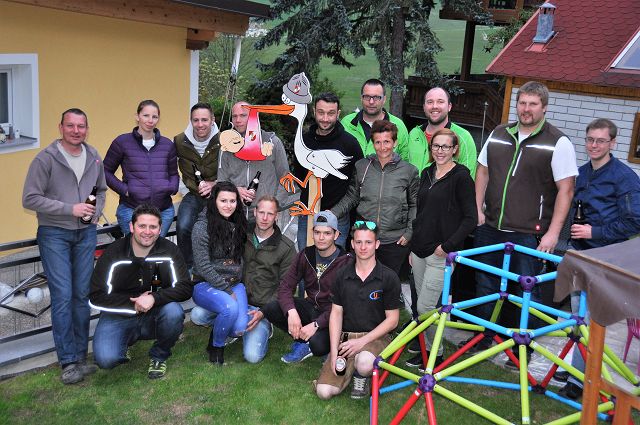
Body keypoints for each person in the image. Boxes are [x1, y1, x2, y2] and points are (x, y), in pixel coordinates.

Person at [466, 81, 578, 368]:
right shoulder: (499, 133)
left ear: (544, 107)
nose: (526, 109)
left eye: (532, 104)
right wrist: (477, 209)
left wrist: (553, 234)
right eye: (522, 103)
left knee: (524, 292)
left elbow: (566, 190)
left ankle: (521, 351)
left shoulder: (557, 142)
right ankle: (483, 338)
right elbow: (483, 171)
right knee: (485, 285)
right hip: (491, 227)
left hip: (529, 234)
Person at [22, 108, 107, 385]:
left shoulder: (93, 156)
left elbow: (102, 189)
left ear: (87, 128)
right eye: (70, 126)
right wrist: (69, 208)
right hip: (54, 234)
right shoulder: (45, 159)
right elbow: (30, 198)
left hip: (86, 234)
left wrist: (94, 212)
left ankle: (82, 357)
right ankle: (68, 361)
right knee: (62, 296)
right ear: (60, 127)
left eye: (81, 126)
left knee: (81, 296)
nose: (76, 131)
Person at [557, 118, 640, 400]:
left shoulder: (625, 178)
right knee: (576, 317)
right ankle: (574, 367)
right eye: (590, 140)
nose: (594, 145)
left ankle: (579, 381)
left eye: (600, 141)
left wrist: (597, 230)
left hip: (606, 259)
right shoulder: (581, 173)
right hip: (580, 254)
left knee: (591, 320)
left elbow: (635, 221)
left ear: (613, 143)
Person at [89, 204, 193, 379]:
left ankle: (160, 354)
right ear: (131, 227)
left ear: (160, 229)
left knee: (174, 312)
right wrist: (134, 305)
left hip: (156, 310)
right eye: (142, 226)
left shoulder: (169, 250)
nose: (147, 231)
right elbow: (95, 296)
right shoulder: (114, 253)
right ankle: (124, 343)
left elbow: (184, 287)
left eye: (153, 227)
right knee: (106, 360)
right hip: (119, 314)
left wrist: (154, 298)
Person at [190, 195, 297, 363]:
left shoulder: (286, 248)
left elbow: (286, 288)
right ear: (254, 212)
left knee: (252, 357)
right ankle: (232, 327)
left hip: (260, 308)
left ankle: (261, 327)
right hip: (234, 297)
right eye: (261, 212)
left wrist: (264, 313)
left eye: (270, 214)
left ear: (276, 216)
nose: (264, 218)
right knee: (197, 314)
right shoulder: (239, 233)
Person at [405, 128, 477, 370]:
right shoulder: (426, 174)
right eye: (436, 146)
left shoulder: (461, 177)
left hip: (441, 254)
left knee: (427, 307)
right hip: (419, 250)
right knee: (420, 307)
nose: (440, 151)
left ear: (455, 149)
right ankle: (425, 351)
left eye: (446, 146)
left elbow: (470, 218)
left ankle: (438, 354)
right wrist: (413, 247)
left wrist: (447, 246)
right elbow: (420, 213)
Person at [316, 221, 401, 400]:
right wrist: (333, 352)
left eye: (368, 242)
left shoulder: (388, 277)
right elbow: (336, 314)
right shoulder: (341, 274)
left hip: (376, 337)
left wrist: (362, 342)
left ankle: (361, 376)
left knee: (364, 363)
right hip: (346, 339)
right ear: (352, 244)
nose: (363, 247)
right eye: (359, 242)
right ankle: (345, 368)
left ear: (377, 244)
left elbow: (393, 320)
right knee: (324, 392)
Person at [262, 211, 351, 363]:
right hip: (312, 307)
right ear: (312, 233)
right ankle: (303, 342)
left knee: (318, 345)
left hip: (335, 315)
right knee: (271, 308)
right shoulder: (305, 255)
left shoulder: (346, 262)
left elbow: (344, 305)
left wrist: (316, 325)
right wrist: (292, 312)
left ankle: (321, 343)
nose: (321, 238)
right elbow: (285, 287)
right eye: (317, 232)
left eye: (327, 233)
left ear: (336, 235)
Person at [331, 120, 419, 273]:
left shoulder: (409, 171)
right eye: (378, 142)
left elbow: (414, 204)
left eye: (387, 141)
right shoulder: (362, 166)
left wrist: (409, 232)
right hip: (364, 237)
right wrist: (331, 214)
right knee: (360, 282)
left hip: (394, 241)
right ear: (373, 143)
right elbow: (352, 197)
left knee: (387, 285)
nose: (382, 147)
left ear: (395, 142)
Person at [295, 93, 363, 251]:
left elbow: (359, 183)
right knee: (306, 263)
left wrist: (338, 210)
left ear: (338, 113)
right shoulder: (304, 141)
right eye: (321, 112)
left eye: (331, 113)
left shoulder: (350, 144)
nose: (325, 118)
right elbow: (299, 176)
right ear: (314, 111)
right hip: (308, 215)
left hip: (337, 217)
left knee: (335, 269)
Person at [191, 181, 249, 365]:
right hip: (205, 283)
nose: (228, 205)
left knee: (240, 327)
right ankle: (217, 347)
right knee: (229, 308)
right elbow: (203, 266)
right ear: (214, 201)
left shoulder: (238, 222)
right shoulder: (202, 227)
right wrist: (227, 291)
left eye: (233, 201)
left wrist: (234, 287)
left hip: (234, 282)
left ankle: (217, 329)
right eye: (223, 200)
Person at [104, 99, 179, 237]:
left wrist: (172, 188)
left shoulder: (167, 144)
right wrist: (125, 190)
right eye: (146, 115)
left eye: (154, 116)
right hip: (131, 210)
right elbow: (105, 171)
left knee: (156, 253)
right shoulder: (122, 142)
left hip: (163, 211)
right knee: (136, 254)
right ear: (137, 116)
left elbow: (174, 174)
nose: (150, 120)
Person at [218, 101, 291, 219]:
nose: (237, 120)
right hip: (235, 213)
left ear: (253, 116)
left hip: (264, 214)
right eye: (235, 116)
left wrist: (275, 205)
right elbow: (221, 181)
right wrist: (234, 190)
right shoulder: (226, 146)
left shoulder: (273, 142)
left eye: (243, 115)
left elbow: (285, 177)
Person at [174, 102, 220, 269]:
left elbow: (231, 170)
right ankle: (187, 270)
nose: (200, 124)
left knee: (217, 230)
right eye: (196, 120)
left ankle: (214, 269)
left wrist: (215, 184)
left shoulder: (225, 140)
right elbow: (171, 167)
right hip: (193, 194)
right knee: (183, 226)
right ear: (191, 121)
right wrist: (182, 188)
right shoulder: (179, 141)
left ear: (212, 120)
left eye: (204, 120)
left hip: (219, 195)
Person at [407, 87, 478, 177]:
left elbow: (468, 179)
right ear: (424, 107)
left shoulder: (463, 137)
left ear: (449, 107)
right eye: (430, 102)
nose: (434, 106)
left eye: (440, 102)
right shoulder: (414, 134)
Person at [341, 78, 409, 161]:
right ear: (361, 98)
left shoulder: (398, 126)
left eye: (376, 97)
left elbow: (406, 161)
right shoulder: (346, 123)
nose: (371, 102)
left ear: (384, 99)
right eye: (367, 97)